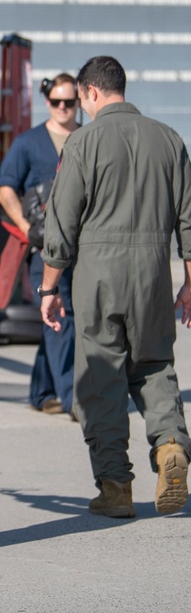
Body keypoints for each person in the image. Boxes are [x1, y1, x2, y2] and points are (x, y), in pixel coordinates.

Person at [40, 56, 191, 518]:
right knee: (154, 364)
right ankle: (170, 447)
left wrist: (49, 287)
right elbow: (189, 219)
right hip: (152, 270)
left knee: (101, 376)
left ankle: (115, 488)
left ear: (89, 91)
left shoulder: (82, 142)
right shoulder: (169, 139)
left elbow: (61, 222)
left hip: (98, 274)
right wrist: (188, 283)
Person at [0, 74, 79, 416]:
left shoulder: (87, 139)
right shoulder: (28, 142)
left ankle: (42, 392)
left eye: (69, 102)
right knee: (62, 316)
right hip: (44, 249)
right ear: (47, 102)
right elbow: (5, 188)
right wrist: (29, 227)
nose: (62, 107)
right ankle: (75, 399)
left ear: (79, 102)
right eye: (56, 101)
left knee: (58, 319)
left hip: (81, 248)